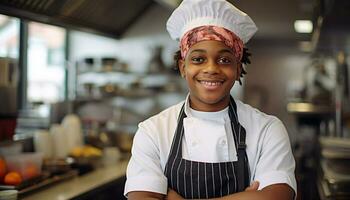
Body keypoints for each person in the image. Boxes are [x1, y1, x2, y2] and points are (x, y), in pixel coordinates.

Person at [124, 0, 297, 199]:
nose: (211, 69)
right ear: (183, 67)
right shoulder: (153, 131)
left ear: (238, 68)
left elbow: (279, 195)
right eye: (198, 59)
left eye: (224, 60)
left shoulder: (267, 129)